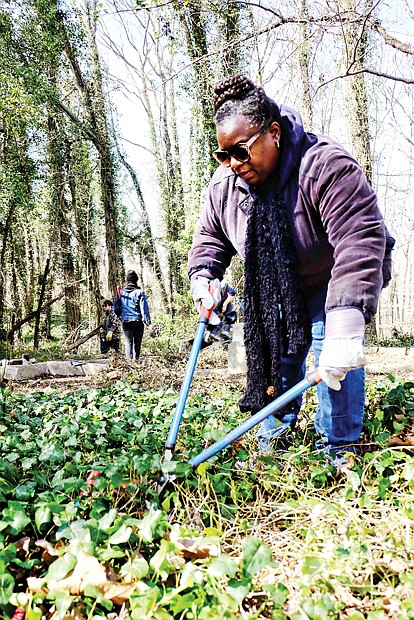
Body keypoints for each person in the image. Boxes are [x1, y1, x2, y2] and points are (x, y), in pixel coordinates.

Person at [188, 75, 395, 460]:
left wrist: (346, 322)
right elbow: (211, 238)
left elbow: (360, 238)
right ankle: (273, 447)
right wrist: (204, 278)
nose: (233, 164)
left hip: (332, 279)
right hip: (274, 286)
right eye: (223, 155)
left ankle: (338, 453)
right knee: (276, 358)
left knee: (334, 364)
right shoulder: (225, 188)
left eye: (242, 151)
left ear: (274, 133)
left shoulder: (324, 167)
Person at [117, 270, 152, 360]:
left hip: (125, 321)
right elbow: (144, 309)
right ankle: (136, 361)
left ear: (127, 280)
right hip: (137, 321)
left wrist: (120, 316)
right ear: (136, 280)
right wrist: (148, 322)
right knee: (137, 342)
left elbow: (115, 307)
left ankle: (130, 363)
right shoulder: (139, 292)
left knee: (128, 343)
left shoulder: (121, 292)